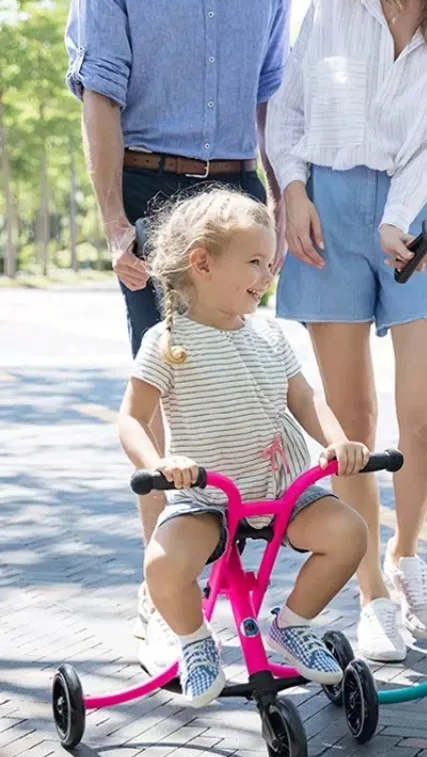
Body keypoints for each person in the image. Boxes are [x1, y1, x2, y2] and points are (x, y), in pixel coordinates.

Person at [265, 0, 427, 662]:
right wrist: (291, 190)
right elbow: (289, 104)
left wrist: (395, 214)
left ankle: (406, 553)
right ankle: (371, 596)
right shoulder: (334, 8)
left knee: (425, 418)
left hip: (419, 204)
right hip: (326, 207)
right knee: (351, 420)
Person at [64, 0, 291, 667]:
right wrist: (114, 221)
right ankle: (163, 592)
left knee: (242, 365)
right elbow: (100, 93)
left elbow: (269, 98)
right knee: (169, 381)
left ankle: (231, 584)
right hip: (149, 187)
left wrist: (277, 199)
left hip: (237, 190)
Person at [116, 187, 370, 707]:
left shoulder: (270, 335)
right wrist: (160, 464)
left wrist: (339, 441)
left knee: (348, 534)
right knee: (163, 564)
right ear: (202, 263)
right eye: (255, 261)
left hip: (283, 491)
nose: (267, 273)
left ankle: (291, 626)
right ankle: (194, 640)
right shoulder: (167, 342)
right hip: (208, 498)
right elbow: (131, 420)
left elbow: (304, 397)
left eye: (269, 260)